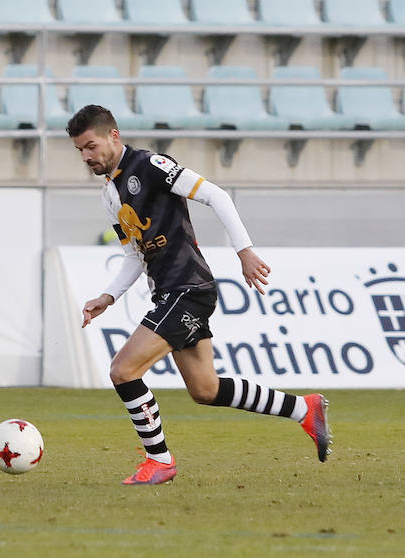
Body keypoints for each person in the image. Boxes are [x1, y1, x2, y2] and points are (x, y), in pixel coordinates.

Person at [66, 105, 332, 485]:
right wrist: (108, 297)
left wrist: (244, 251)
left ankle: (159, 461)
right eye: (79, 151)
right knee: (205, 389)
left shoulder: (152, 165)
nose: (86, 157)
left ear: (113, 135)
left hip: (188, 288)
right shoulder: (110, 193)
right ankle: (303, 409)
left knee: (123, 370)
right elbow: (132, 256)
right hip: (170, 293)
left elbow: (216, 196)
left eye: (90, 146)